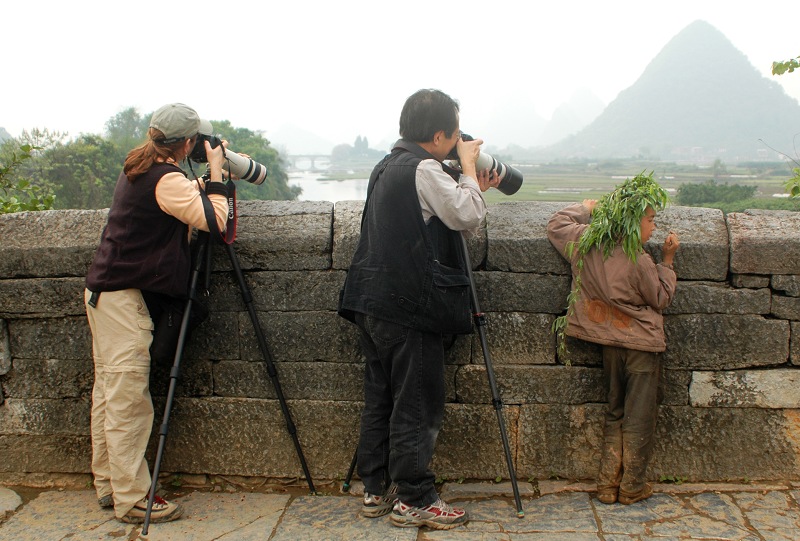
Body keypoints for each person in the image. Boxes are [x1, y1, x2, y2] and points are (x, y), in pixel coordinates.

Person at [338, 89, 500, 530]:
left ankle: (374, 489)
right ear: (440, 134)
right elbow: (466, 215)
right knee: (416, 404)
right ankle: (414, 499)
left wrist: (462, 178)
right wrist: (468, 171)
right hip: (411, 306)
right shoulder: (426, 168)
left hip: (372, 302)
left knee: (381, 398)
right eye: (454, 133)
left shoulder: (386, 165)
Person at [84, 103, 230, 524]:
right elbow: (215, 222)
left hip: (103, 292)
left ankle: (110, 485)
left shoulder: (142, 164)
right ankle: (132, 498)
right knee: (129, 400)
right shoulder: (165, 177)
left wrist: (200, 181)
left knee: (109, 393)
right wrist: (217, 174)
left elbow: (176, 198)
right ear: (186, 143)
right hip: (120, 299)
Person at [546, 173, 679, 506]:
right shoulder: (640, 260)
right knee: (639, 416)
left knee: (615, 410)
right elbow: (660, 299)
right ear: (633, 223)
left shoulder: (588, 243)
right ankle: (632, 485)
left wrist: (584, 210)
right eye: (650, 221)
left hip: (609, 343)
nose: (653, 228)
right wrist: (668, 262)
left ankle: (607, 486)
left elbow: (556, 225)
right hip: (642, 348)